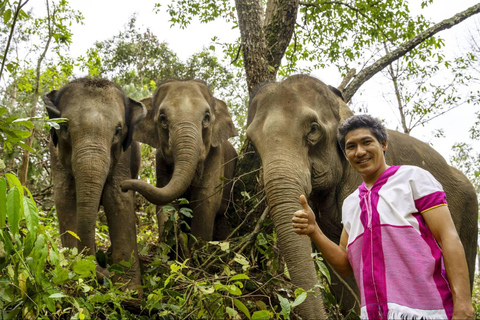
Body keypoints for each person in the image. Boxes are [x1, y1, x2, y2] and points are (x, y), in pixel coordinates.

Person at [291, 114, 474, 320]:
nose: (360, 152)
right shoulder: (351, 203)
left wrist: (464, 305)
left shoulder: (414, 179)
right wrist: (315, 231)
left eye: (367, 142)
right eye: (351, 147)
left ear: (383, 144)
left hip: (428, 312)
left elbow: (448, 238)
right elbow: (344, 264)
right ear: (346, 153)